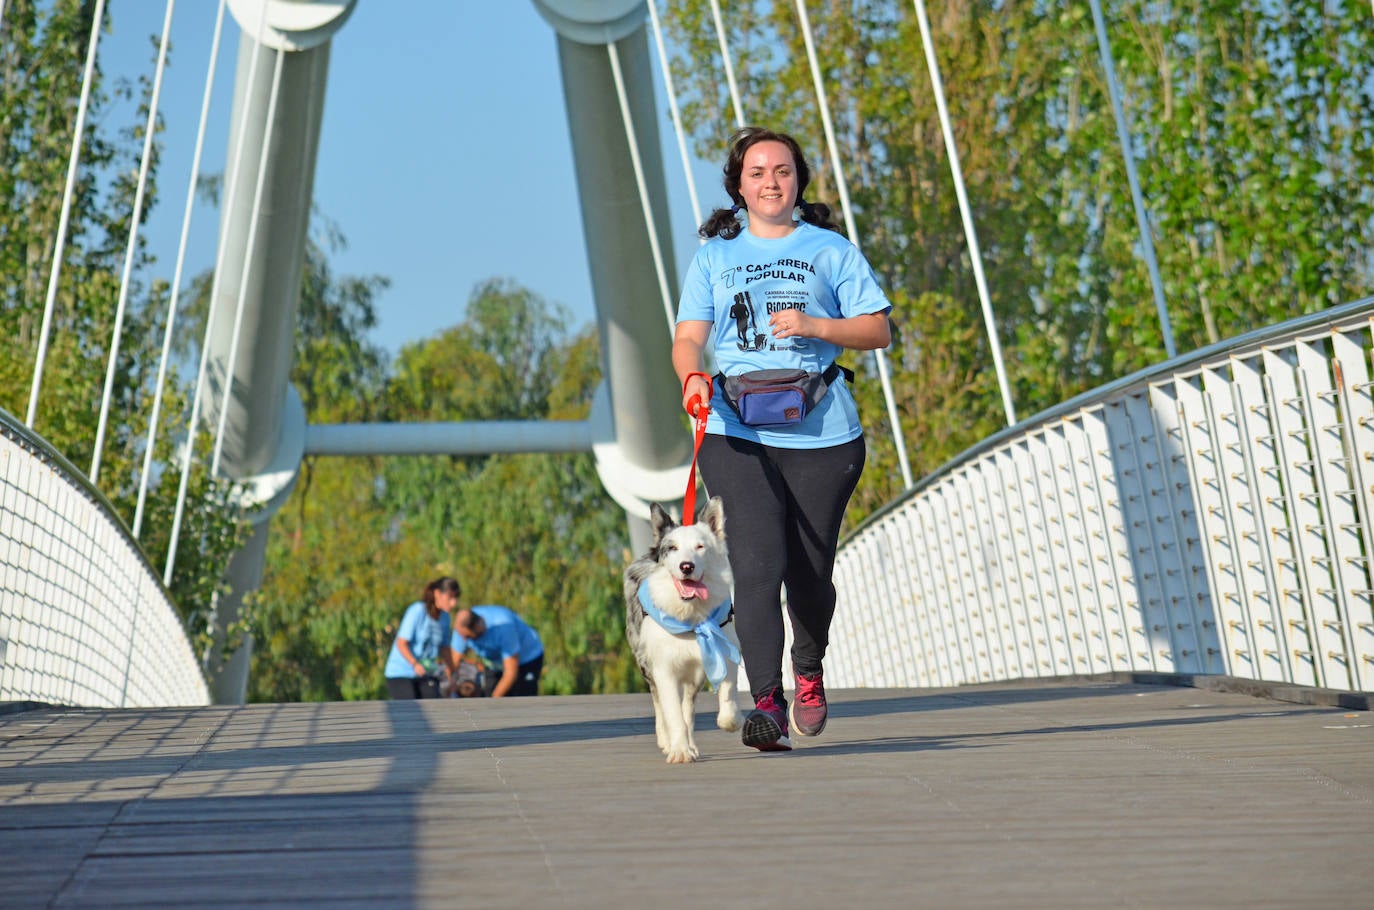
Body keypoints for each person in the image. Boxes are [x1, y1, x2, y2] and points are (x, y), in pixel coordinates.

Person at [672, 126, 892, 752]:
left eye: (783, 171)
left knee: (812, 572)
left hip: (824, 432)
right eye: (758, 173)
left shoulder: (830, 250)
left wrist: (815, 324)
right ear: (738, 187)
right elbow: (689, 337)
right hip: (734, 426)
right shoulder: (714, 256)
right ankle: (765, 700)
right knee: (756, 564)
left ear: (798, 180)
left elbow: (877, 330)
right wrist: (692, 378)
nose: (771, 182)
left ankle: (810, 669)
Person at [383, 576, 460, 699]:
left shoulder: (445, 618)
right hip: (402, 672)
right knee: (411, 710)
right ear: (437, 594)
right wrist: (415, 664)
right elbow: (401, 643)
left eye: (455, 598)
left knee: (434, 705)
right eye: (450, 597)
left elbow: (444, 648)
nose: (453, 603)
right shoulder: (418, 610)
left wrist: (453, 673)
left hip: (425, 673)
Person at [451, 606, 544, 697]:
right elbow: (452, 664)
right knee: (488, 695)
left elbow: (510, 673)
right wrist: (450, 688)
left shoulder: (503, 628)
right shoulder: (462, 628)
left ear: (477, 626)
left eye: (468, 637)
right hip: (495, 664)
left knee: (521, 700)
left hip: (526, 659)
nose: (463, 640)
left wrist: (493, 702)